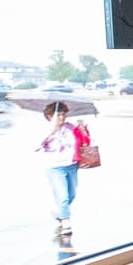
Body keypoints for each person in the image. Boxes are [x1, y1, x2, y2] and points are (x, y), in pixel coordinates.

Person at [36, 101, 89, 237]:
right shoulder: (46, 129)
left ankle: (58, 212)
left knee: (72, 195)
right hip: (55, 167)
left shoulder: (71, 128)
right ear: (50, 116)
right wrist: (51, 132)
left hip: (72, 165)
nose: (62, 118)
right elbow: (35, 146)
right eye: (58, 115)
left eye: (63, 114)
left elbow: (85, 142)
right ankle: (66, 223)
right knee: (63, 196)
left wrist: (83, 130)